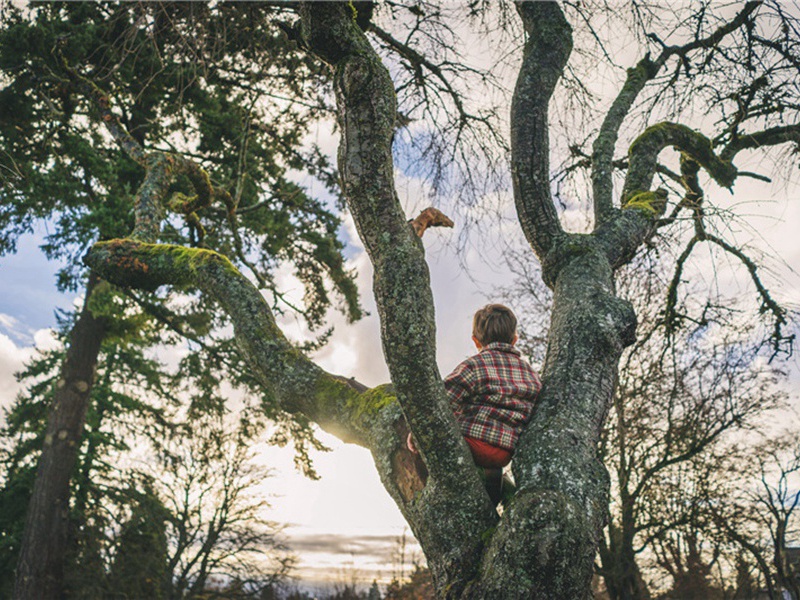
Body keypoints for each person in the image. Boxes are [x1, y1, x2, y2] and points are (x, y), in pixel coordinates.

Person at [409, 304, 542, 504]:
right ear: (514, 340)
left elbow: (442, 401)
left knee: (419, 444)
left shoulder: (475, 365)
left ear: (475, 340)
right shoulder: (530, 374)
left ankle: (430, 494)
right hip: (505, 451)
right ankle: (495, 487)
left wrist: (416, 432)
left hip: (475, 443)